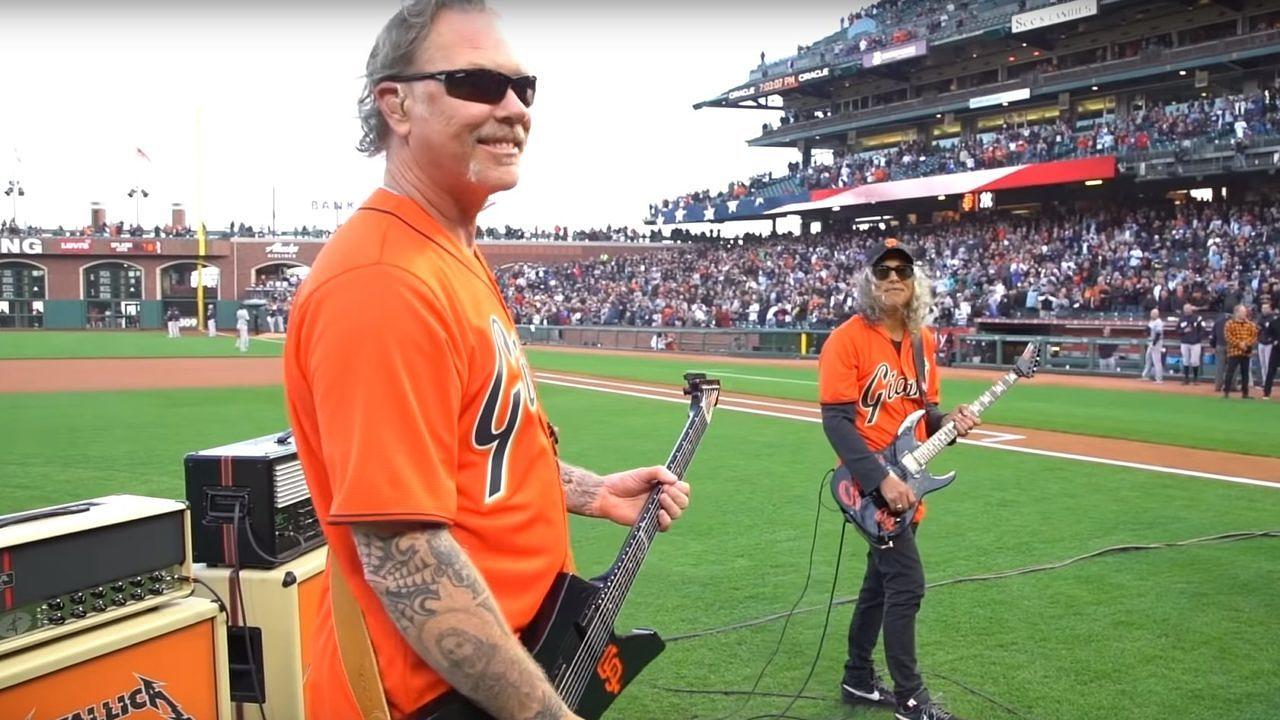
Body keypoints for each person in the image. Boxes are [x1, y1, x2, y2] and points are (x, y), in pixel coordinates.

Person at [282, 3, 691, 719]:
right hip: (434, 700)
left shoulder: (448, 252)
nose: (513, 107)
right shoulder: (385, 280)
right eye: (476, 82)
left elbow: (467, 453)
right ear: (396, 104)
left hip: (508, 664)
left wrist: (592, 491)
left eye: (523, 87)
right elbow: (405, 556)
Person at [818, 239, 979, 720]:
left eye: (902, 271)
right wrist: (879, 481)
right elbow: (836, 422)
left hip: (909, 483)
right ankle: (912, 701)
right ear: (869, 281)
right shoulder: (847, 339)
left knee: (879, 585)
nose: (893, 278)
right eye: (883, 270)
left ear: (914, 282)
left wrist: (949, 422)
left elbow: (923, 414)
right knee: (906, 583)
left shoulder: (922, 341)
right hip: (870, 487)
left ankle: (857, 678)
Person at [1222, 304, 1258, 399]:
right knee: (1230, 372)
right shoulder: (1230, 323)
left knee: (1245, 373)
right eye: (1242, 312)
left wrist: (1246, 343)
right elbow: (1228, 336)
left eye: (1245, 312)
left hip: (1246, 352)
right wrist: (1239, 344)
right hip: (1233, 351)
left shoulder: (1250, 324)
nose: (1244, 313)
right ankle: (1226, 392)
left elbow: (1254, 335)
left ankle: (1245, 393)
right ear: (1236, 312)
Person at [1176, 303, 1205, 385]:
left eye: (1188, 308)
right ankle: (1186, 378)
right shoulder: (1181, 319)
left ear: (1191, 309)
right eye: (1185, 309)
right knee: (1185, 360)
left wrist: (1197, 338)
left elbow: (1203, 330)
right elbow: (1177, 330)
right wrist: (1183, 331)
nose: (1187, 310)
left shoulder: (1197, 318)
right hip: (1184, 342)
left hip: (1195, 343)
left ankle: (1195, 379)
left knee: (1195, 361)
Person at [1141, 308, 1164, 384]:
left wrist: (1154, 344)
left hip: (1156, 342)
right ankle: (1145, 376)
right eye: (1151, 313)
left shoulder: (1159, 322)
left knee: (1156, 361)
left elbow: (1158, 334)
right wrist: (1146, 332)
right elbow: (1147, 329)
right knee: (1148, 358)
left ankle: (1159, 379)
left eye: (1153, 313)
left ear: (1157, 314)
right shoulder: (1151, 321)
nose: (1152, 315)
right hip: (1150, 342)